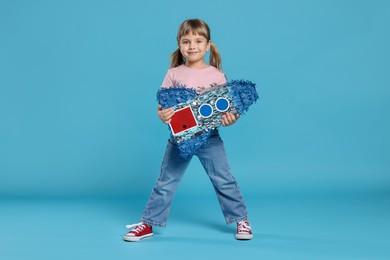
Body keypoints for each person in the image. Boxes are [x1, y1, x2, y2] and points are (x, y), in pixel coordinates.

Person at [123, 18, 252, 242]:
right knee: (166, 181)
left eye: (198, 41)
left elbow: (227, 109)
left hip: (209, 139)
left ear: (208, 44)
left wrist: (232, 119)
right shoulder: (173, 73)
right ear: (179, 45)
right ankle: (148, 224)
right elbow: (163, 106)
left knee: (223, 180)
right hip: (179, 138)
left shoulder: (217, 75)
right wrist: (162, 114)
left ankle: (241, 219)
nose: (192, 46)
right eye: (186, 41)